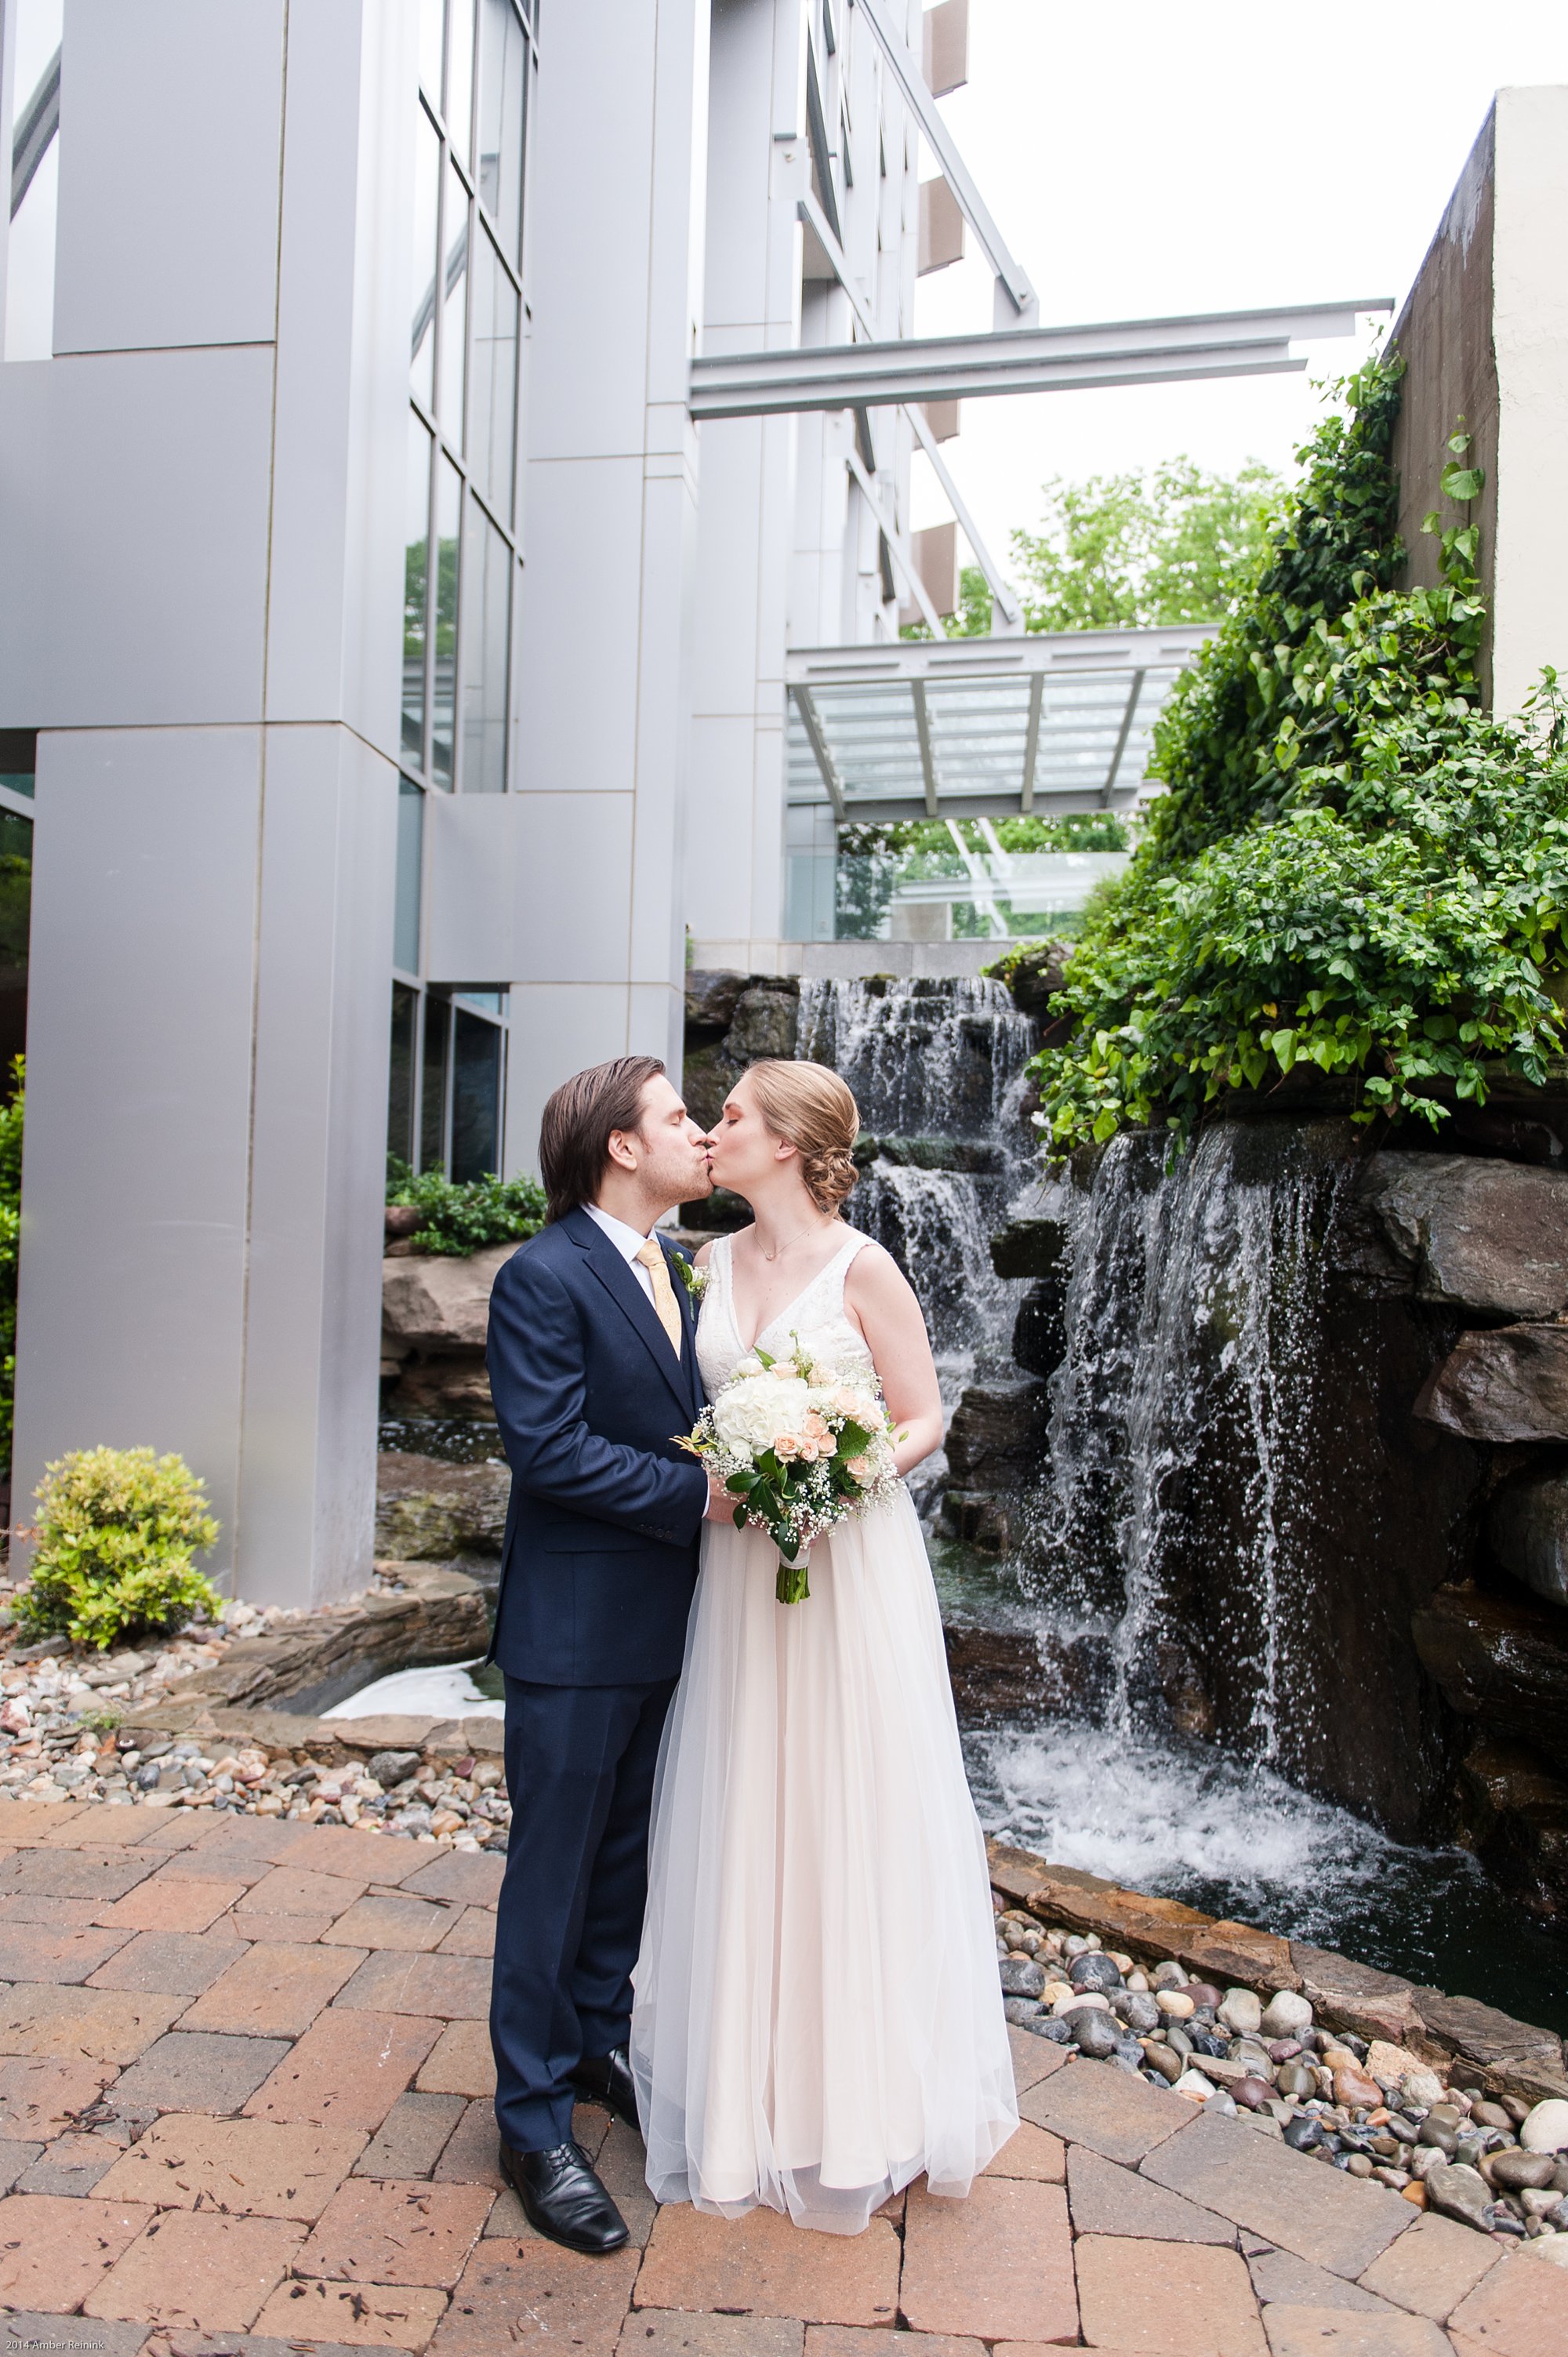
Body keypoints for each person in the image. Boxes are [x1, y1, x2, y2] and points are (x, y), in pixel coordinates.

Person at [630, 1058, 1018, 2235]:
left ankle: (860, 2104)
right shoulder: (704, 1264)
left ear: (790, 1143)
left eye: (734, 1116)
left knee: (849, 1806)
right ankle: (748, 2098)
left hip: (846, 1566)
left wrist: (828, 1476)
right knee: (750, 1798)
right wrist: (738, 1476)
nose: (715, 1131)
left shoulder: (865, 1265)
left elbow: (923, 1415)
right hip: (744, 1575)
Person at [485, 1055, 728, 2256]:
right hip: (573, 1633)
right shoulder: (543, 1272)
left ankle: (588, 2045)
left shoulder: (678, 1265)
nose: (699, 1132)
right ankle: (529, 2121)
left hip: (667, 1622)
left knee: (623, 1861)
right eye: (680, 1116)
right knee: (553, 1870)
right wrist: (710, 1494)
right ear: (621, 1147)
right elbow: (551, 1449)